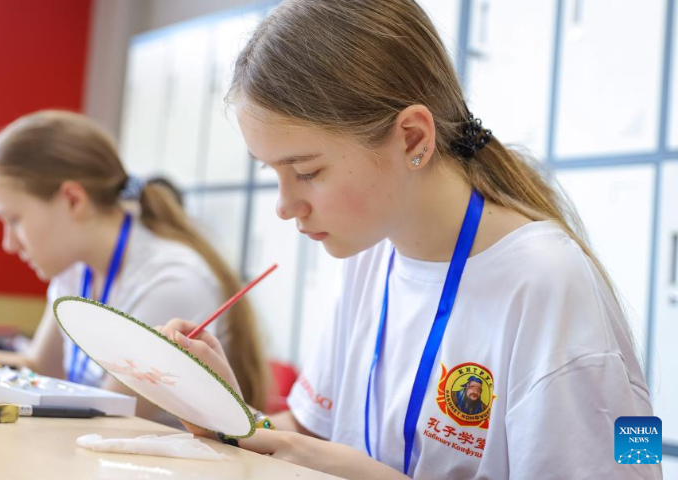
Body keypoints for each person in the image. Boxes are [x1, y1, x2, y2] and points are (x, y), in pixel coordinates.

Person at [160, 1, 660, 478]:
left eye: (307, 171)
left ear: (414, 140)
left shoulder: (548, 282)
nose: (285, 206)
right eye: (274, 173)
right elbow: (309, 438)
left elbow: (631, 459)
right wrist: (230, 413)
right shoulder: (371, 252)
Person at [0, 110, 268, 416]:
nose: (8, 243)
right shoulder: (75, 269)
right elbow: (39, 368)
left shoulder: (172, 282)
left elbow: (107, 413)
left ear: (72, 200)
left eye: (13, 220)